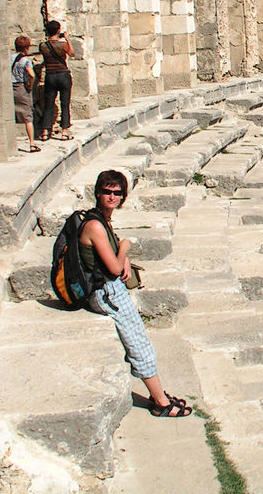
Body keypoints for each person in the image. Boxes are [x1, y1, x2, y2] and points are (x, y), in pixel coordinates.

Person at [80, 169, 191, 418]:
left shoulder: (101, 219)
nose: (111, 197)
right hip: (105, 293)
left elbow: (114, 261)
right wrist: (125, 247)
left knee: (140, 338)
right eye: (106, 192)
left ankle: (158, 394)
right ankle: (160, 402)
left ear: (123, 196)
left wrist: (123, 255)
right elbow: (114, 267)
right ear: (97, 193)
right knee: (139, 343)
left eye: (116, 193)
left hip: (109, 288)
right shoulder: (95, 225)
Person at [39, 20, 74, 141]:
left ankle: (45, 131)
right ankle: (64, 131)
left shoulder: (43, 46)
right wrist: (67, 39)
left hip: (50, 75)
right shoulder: (62, 45)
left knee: (48, 105)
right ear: (58, 30)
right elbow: (72, 53)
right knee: (65, 103)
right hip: (63, 75)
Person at [11, 35, 40, 153]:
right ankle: (32, 143)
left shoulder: (10, 58)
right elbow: (31, 74)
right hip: (21, 87)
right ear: (27, 48)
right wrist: (30, 84)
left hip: (10, 87)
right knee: (27, 117)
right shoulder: (25, 60)